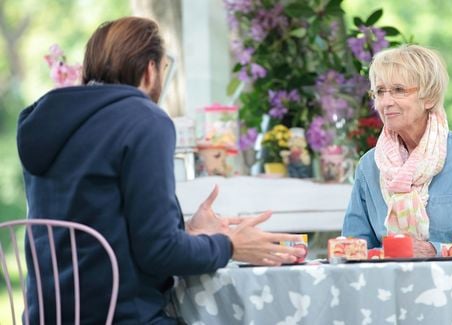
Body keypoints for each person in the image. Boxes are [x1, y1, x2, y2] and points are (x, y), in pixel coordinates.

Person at [17, 17, 304, 324]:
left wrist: (187, 232)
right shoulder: (144, 119)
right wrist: (230, 244)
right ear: (150, 69)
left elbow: (106, 227)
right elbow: (160, 253)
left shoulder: (44, 121)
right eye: (165, 69)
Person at [342, 45, 452, 257]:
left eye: (399, 90)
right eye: (379, 92)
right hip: (387, 286)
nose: (386, 102)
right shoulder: (369, 165)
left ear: (429, 97)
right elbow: (352, 248)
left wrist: (435, 250)